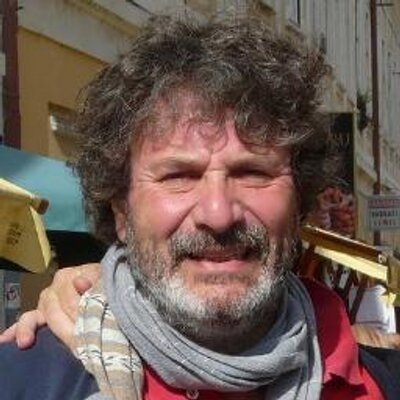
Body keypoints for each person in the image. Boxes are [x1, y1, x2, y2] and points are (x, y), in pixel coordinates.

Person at [1, 15, 399, 400]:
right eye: (179, 176)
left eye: (252, 172)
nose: (218, 214)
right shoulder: (22, 383)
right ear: (121, 211)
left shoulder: (382, 383)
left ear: (299, 204)